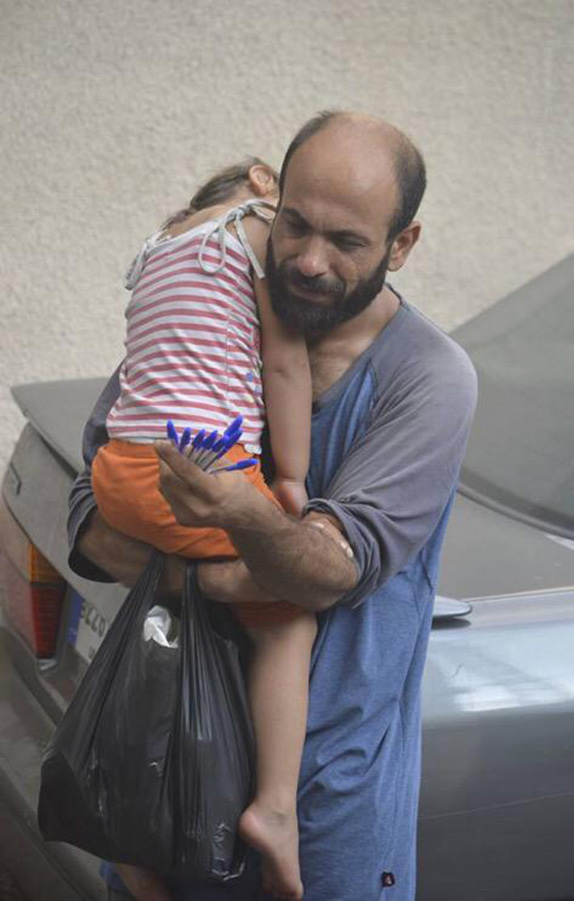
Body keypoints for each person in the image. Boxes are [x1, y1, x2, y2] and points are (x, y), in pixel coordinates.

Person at [68, 111, 478, 901]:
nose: (310, 261)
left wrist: (234, 519)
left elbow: (328, 571)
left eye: (348, 242)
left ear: (402, 245)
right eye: (295, 224)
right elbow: (88, 519)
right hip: (160, 772)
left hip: (321, 818)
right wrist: (237, 570)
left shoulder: (429, 378)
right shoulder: (217, 310)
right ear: (273, 196)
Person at [90, 158, 316, 901]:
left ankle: (129, 830)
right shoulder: (256, 230)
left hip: (120, 468)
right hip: (198, 471)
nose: (304, 237)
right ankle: (274, 810)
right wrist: (289, 482)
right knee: (287, 615)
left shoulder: (158, 246)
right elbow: (283, 363)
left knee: (172, 618)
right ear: (261, 179)